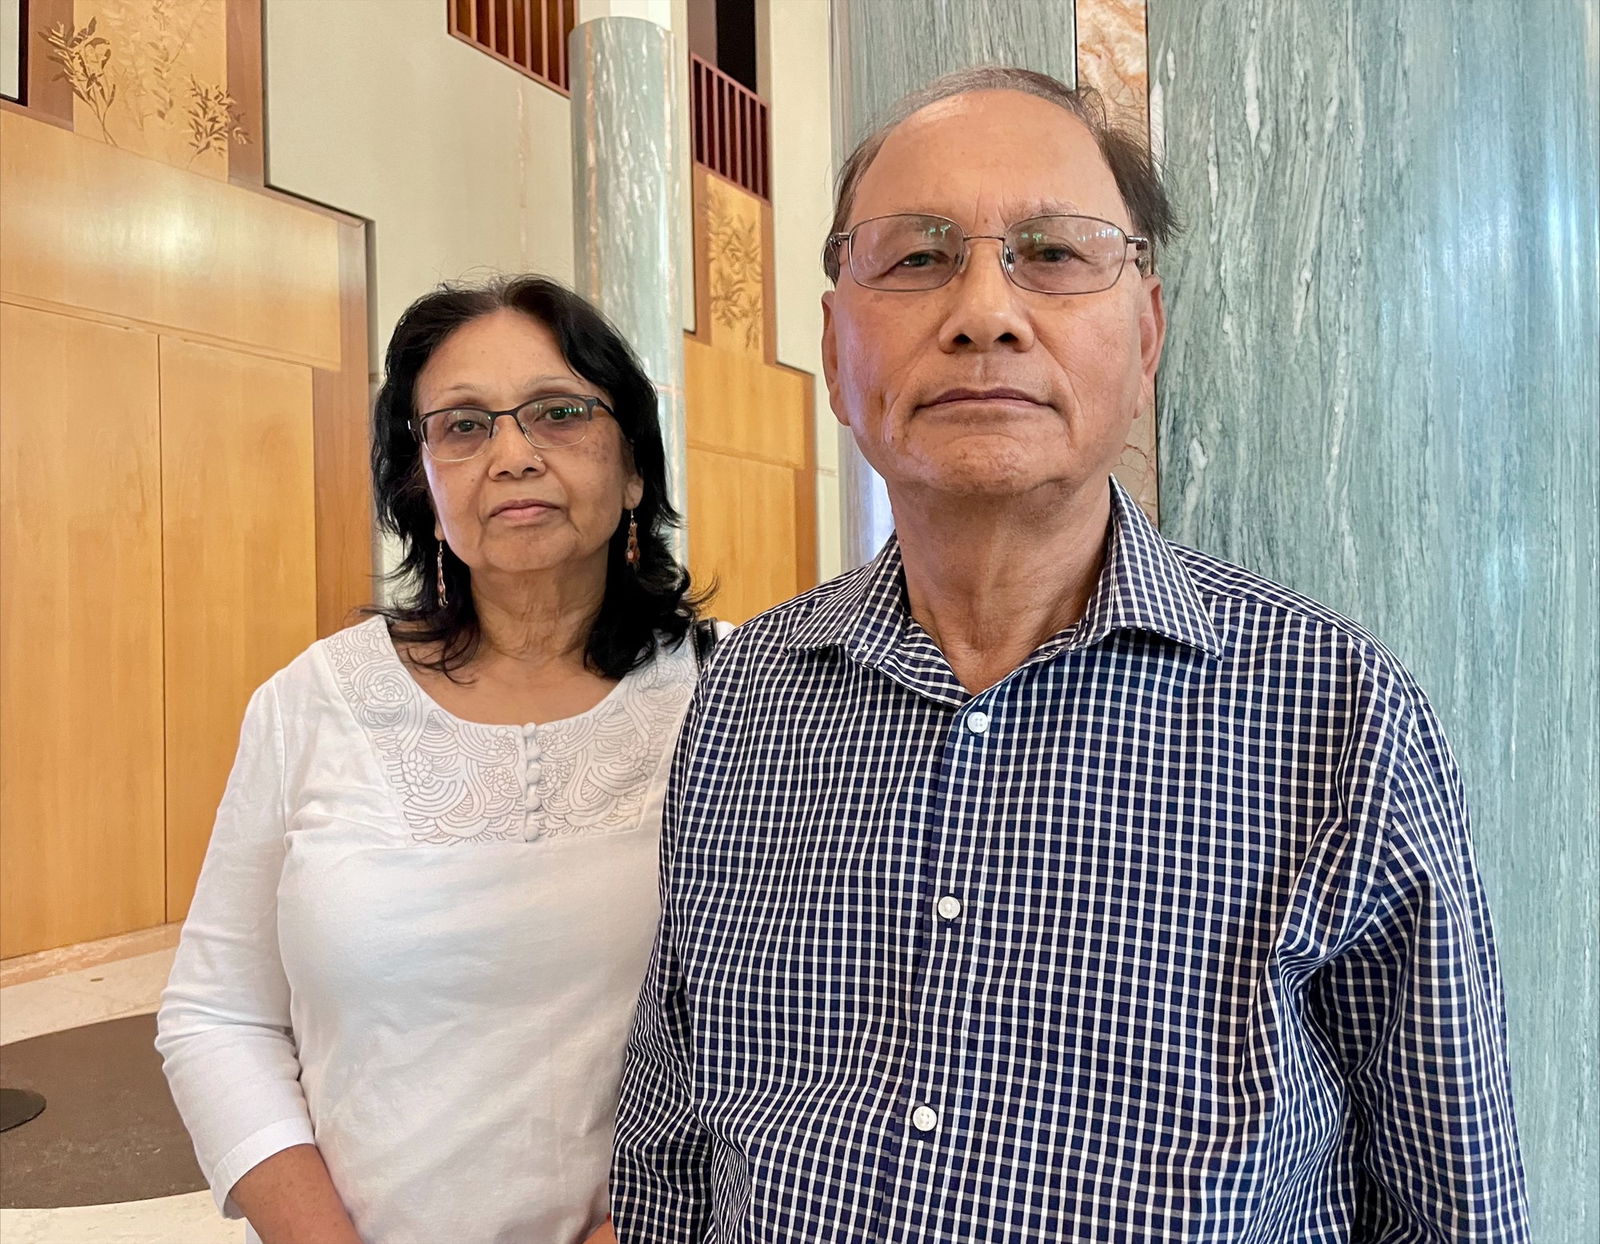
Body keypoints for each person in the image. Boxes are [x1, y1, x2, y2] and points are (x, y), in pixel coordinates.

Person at [611, 68, 1529, 1241]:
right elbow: (667, 1156)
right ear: (836, 346)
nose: (983, 310)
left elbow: (1454, 1207)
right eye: (915, 257)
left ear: (1145, 333)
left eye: (1051, 254)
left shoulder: (1335, 713)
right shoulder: (746, 697)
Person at [159, 275, 713, 1244]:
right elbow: (217, 1015)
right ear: (418, 479)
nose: (512, 454)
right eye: (461, 426)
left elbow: (793, 1028)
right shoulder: (312, 700)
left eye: (559, 412)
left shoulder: (739, 696)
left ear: (633, 466)